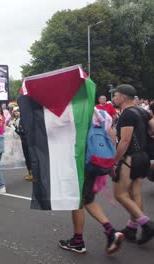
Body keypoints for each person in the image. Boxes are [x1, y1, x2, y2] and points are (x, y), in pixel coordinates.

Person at [59, 108, 125, 254]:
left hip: (81, 163)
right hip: (97, 162)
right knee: (88, 200)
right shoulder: (102, 114)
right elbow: (112, 137)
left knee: (77, 201)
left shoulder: (72, 113)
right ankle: (111, 231)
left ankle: (78, 241)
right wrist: (111, 162)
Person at [110, 84, 154, 244]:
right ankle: (131, 228)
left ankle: (147, 224)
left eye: (115, 96)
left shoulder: (127, 114)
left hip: (130, 158)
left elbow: (125, 140)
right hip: (143, 157)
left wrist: (114, 162)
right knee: (135, 193)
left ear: (122, 97)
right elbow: (153, 130)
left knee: (120, 194)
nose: (113, 98)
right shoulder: (142, 111)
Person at [11, 107, 33, 181]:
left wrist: (13, 128)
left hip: (26, 140)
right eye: (14, 111)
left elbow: (21, 131)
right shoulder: (19, 119)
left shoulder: (22, 119)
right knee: (29, 157)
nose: (16, 112)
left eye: (17, 111)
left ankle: (31, 173)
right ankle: (31, 172)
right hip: (28, 140)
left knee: (28, 157)